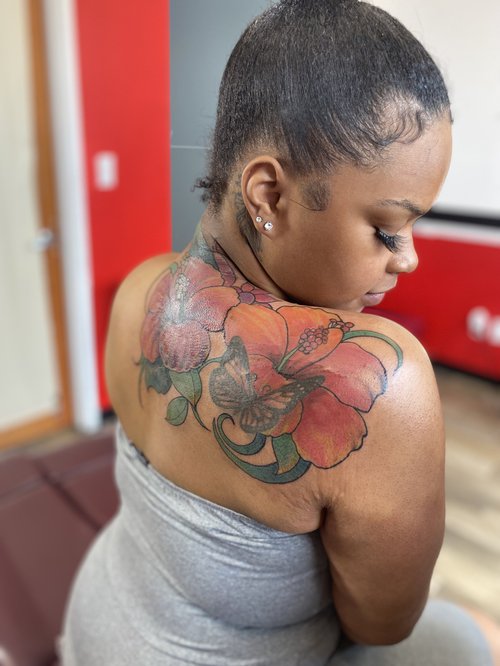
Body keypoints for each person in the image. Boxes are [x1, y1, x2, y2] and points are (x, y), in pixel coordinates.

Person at [60, 0, 500, 663]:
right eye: (387, 228)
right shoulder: (380, 377)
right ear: (268, 195)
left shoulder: (139, 290)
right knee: (477, 636)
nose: (408, 258)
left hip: (100, 620)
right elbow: (381, 626)